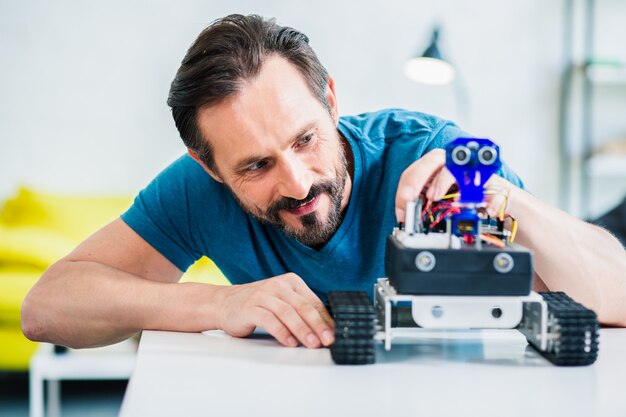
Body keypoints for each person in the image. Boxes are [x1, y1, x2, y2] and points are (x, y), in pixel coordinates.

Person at [21, 14, 626, 350]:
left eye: (305, 139)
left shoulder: (427, 153)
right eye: (255, 166)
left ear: (331, 101)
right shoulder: (198, 189)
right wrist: (218, 301)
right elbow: (47, 308)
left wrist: (509, 200)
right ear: (209, 166)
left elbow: (616, 298)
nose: (297, 182)